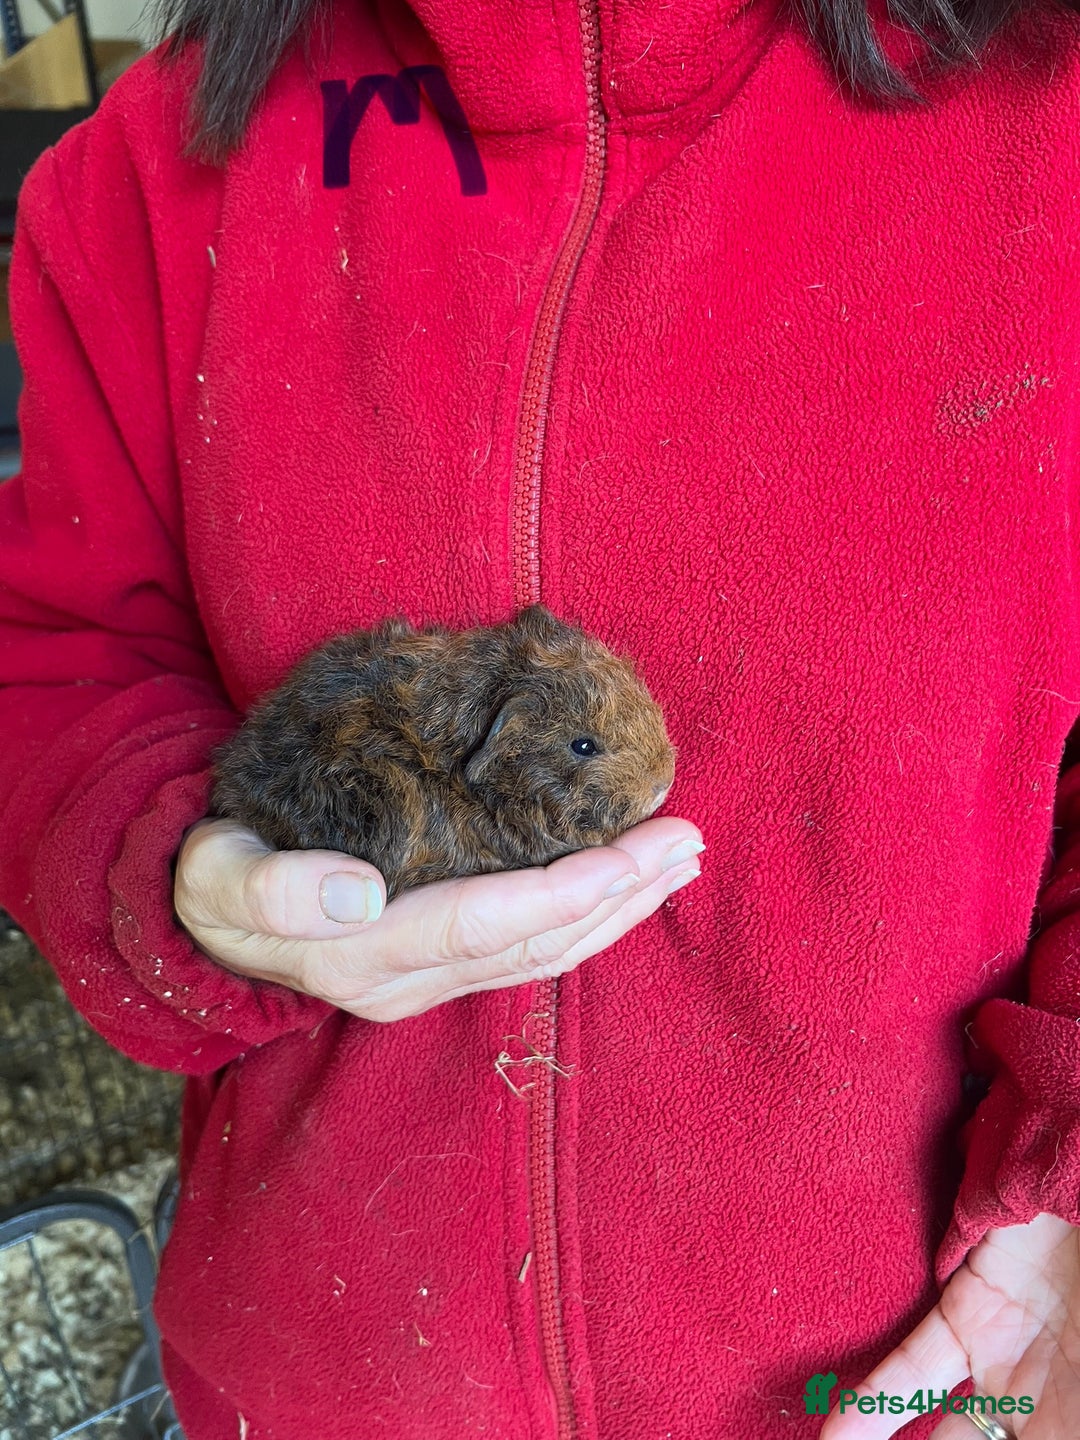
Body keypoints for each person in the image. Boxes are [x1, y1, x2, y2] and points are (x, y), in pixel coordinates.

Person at [2, 0, 1080, 1434]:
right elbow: (58, 651)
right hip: (332, 1378)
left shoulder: (1049, 116)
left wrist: (1065, 1177)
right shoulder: (148, 164)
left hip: (911, 1379)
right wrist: (177, 878)